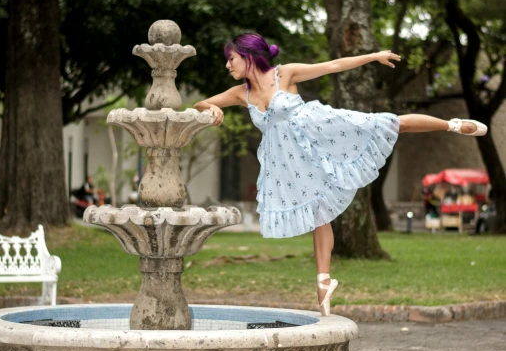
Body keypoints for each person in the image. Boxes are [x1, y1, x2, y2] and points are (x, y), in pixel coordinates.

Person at [193, 33, 488, 316]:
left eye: (231, 59)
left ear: (247, 56)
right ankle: (323, 282)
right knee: (319, 216)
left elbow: (332, 66)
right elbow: (200, 103)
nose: (228, 65)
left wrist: (374, 56)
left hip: (321, 130)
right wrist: (211, 110)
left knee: (387, 124)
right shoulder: (240, 94)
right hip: (292, 161)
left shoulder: (285, 74)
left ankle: (453, 125)